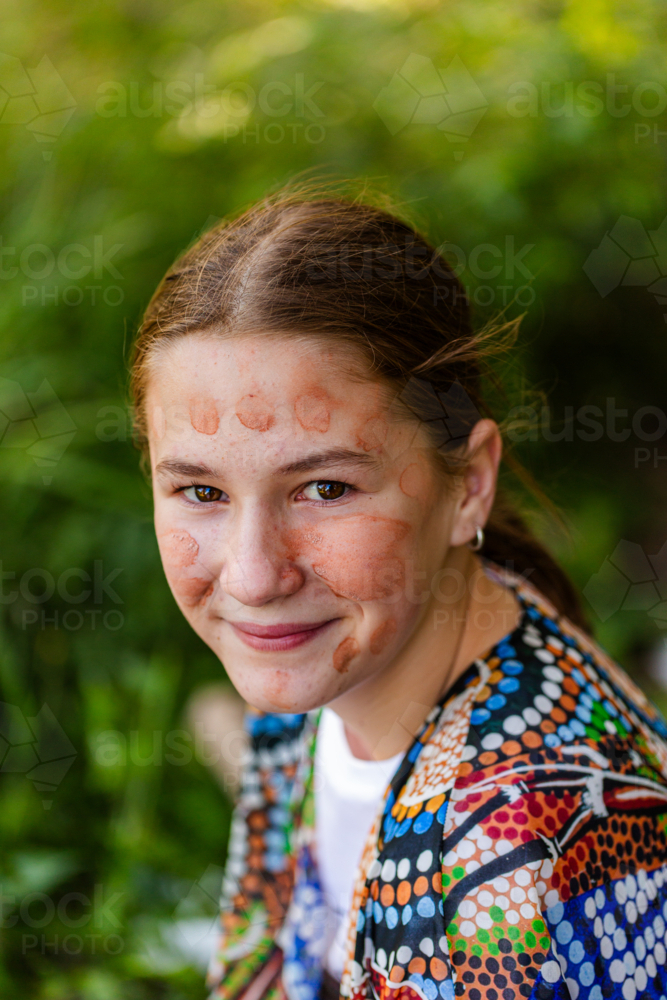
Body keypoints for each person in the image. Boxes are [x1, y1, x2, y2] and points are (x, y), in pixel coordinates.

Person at [130, 186, 667, 1000]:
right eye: (201, 493)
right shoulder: (347, 655)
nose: (250, 576)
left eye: (325, 488)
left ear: (468, 486)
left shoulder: (519, 857)